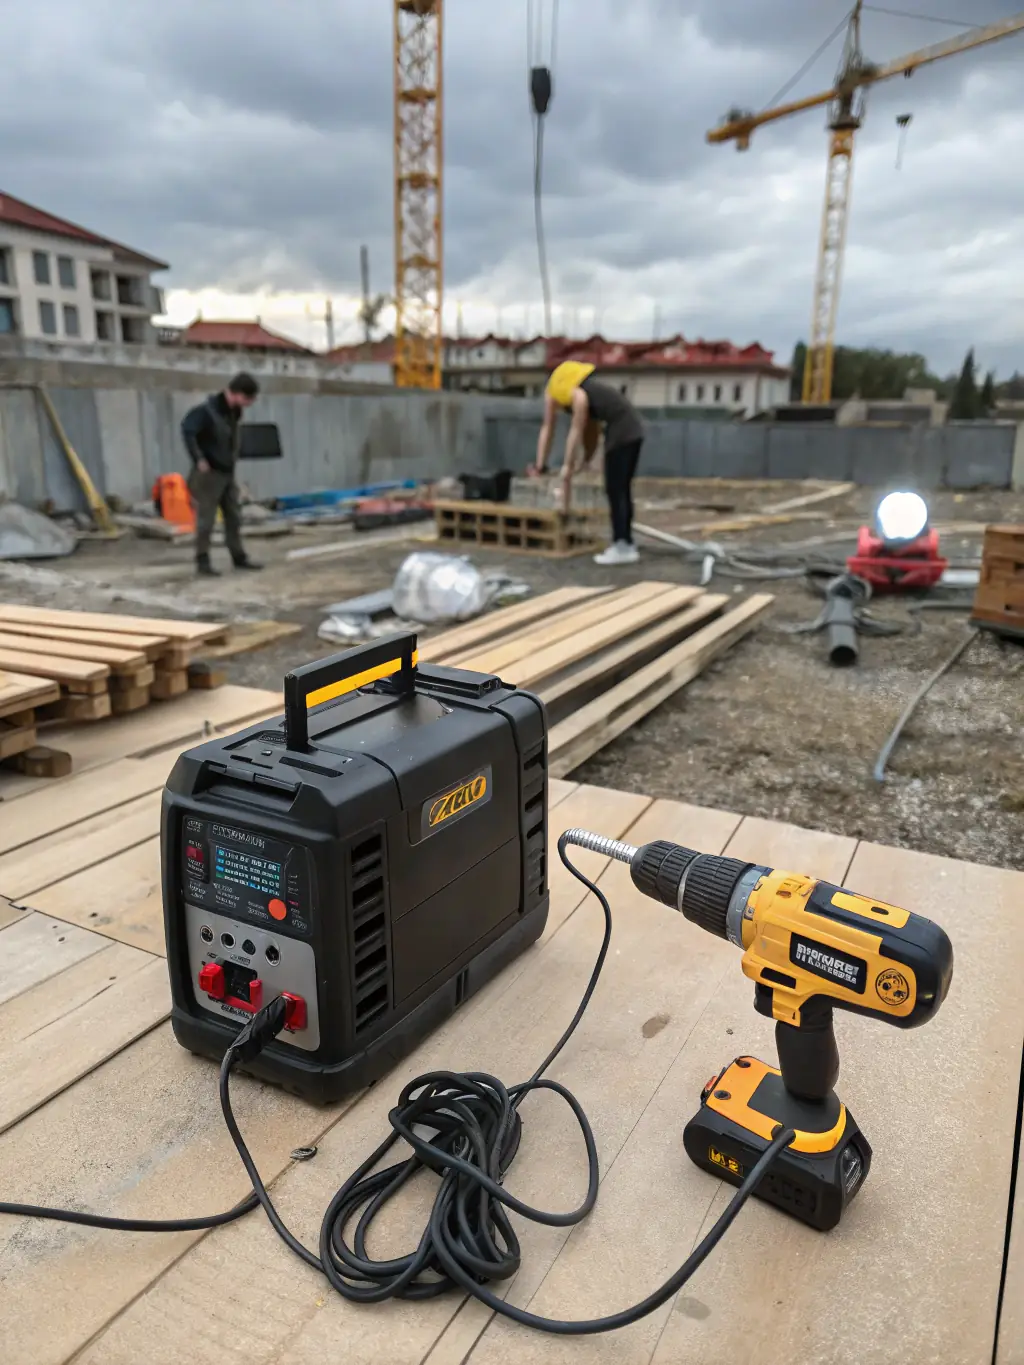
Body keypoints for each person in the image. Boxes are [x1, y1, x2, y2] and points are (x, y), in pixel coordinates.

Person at [530, 359, 644, 565]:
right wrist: (582, 460)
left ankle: (622, 545)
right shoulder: (588, 394)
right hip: (633, 430)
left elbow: (576, 431)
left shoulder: (578, 396)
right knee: (621, 490)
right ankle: (626, 543)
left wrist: (567, 466)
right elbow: (584, 431)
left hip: (622, 432)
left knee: (615, 490)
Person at [181, 372, 262, 577]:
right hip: (209, 474)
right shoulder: (207, 411)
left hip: (227, 472)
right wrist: (198, 458)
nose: (248, 404)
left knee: (233, 516)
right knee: (206, 519)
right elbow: (187, 429)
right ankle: (202, 560)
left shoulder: (234, 412)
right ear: (236, 393)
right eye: (247, 398)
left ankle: (238, 556)